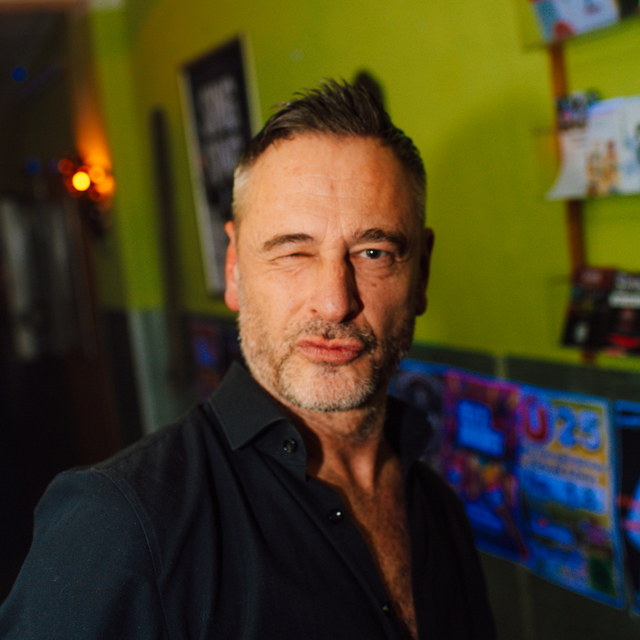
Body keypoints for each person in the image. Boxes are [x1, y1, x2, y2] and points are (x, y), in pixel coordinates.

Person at [0, 79, 495, 639]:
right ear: (234, 269)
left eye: (373, 252)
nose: (335, 302)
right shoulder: (122, 523)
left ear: (421, 272)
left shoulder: (438, 508)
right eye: (294, 251)